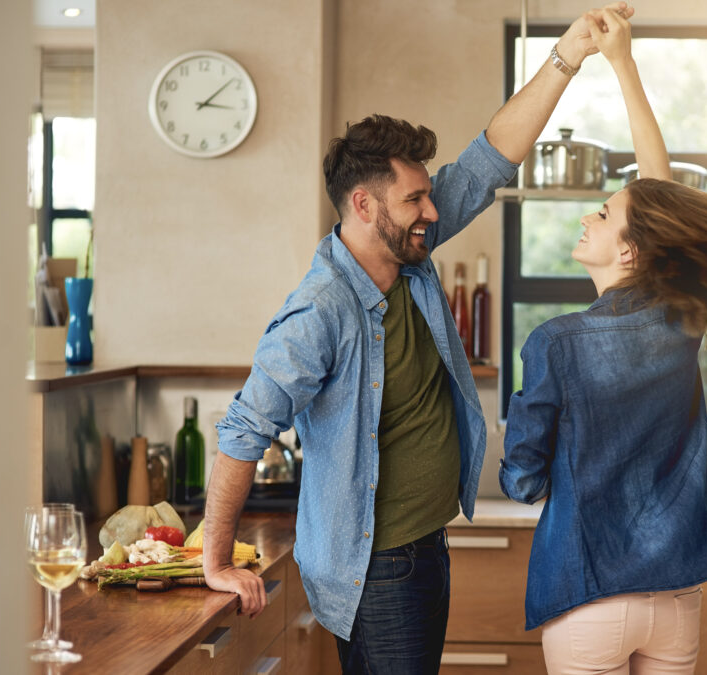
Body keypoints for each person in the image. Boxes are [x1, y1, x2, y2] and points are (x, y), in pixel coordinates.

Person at [200, 4, 634, 674]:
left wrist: (568, 55)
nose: (433, 211)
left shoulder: (409, 258)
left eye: (429, 196)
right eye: (415, 200)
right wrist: (217, 560)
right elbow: (242, 429)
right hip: (378, 566)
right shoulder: (322, 310)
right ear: (364, 206)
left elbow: (489, 159)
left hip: (419, 544)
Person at [499, 8, 707, 675]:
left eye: (605, 212)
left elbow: (522, 478)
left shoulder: (553, 343)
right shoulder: (681, 320)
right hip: (674, 598)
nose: (589, 214)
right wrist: (621, 63)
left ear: (633, 251)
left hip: (587, 596)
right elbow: (661, 193)